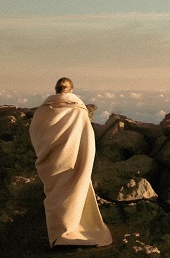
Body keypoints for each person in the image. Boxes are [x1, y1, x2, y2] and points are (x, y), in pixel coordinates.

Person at [28, 77, 112, 247]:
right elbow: (86, 138)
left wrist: (46, 152)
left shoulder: (42, 111)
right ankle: (68, 232)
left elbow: (35, 133)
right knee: (71, 193)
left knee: (54, 194)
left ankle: (58, 234)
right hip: (72, 160)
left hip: (50, 161)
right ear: (71, 90)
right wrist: (83, 159)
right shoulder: (78, 110)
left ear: (56, 90)